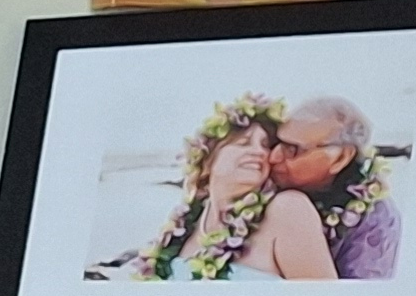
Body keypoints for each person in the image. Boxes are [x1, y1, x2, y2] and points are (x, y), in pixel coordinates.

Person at [137, 99, 338, 281]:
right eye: (243, 143)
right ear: (208, 160)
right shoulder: (186, 225)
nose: (259, 152)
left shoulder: (288, 209)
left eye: (266, 146)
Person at [266, 96, 399, 279]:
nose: (273, 157)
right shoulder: (259, 182)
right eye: (274, 143)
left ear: (340, 158)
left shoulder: (375, 218)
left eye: (292, 149)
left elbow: (362, 294)